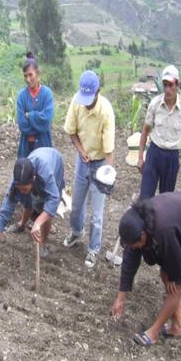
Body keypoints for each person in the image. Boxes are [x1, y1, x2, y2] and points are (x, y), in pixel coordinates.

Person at [112, 192, 181, 346]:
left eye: (133, 245)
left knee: (175, 286)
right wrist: (120, 299)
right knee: (166, 278)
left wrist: (171, 275)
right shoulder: (137, 225)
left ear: (143, 236)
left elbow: (176, 261)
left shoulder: (163, 231)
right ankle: (176, 326)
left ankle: (154, 333)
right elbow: (130, 260)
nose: (131, 248)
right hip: (176, 228)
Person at [62, 70, 115, 269]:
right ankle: (77, 232)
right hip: (83, 160)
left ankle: (93, 249)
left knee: (97, 214)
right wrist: (81, 150)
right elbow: (71, 132)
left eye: (89, 98)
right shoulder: (77, 102)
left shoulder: (106, 111)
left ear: (98, 91)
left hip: (100, 162)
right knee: (76, 204)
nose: (85, 102)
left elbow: (109, 151)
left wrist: (108, 176)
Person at [0, 147, 66, 269]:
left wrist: (37, 223)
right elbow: (3, 216)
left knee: (44, 205)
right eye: (19, 188)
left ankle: (43, 244)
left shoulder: (45, 175)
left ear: (33, 180)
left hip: (54, 161)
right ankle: (22, 224)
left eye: (24, 188)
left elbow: (52, 201)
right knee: (29, 198)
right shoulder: (16, 184)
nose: (21, 192)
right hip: (36, 164)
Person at [10, 51, 55, 233]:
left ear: (38, 73)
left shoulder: (47, 94)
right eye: (25, 76)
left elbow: (46, 122)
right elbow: (22, 124)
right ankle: (26, 219)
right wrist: (32, 119)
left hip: (42, 145)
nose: (28, 79)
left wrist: (31, 116)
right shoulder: (22, 96)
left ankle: (44, 218)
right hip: (26, 146)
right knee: (25, 181)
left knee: (42, 181)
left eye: (30, 75)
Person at [136, 64, 181, 199]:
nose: (167, 90)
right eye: (165, 85)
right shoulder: (155, 104)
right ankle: (144, 220)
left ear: (177, 86)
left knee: (166, 200)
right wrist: (140, 157)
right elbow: (145, 130)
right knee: (145, 198)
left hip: (172, 158)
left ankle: (161, 221)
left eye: (171, 85)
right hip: (154, 153)